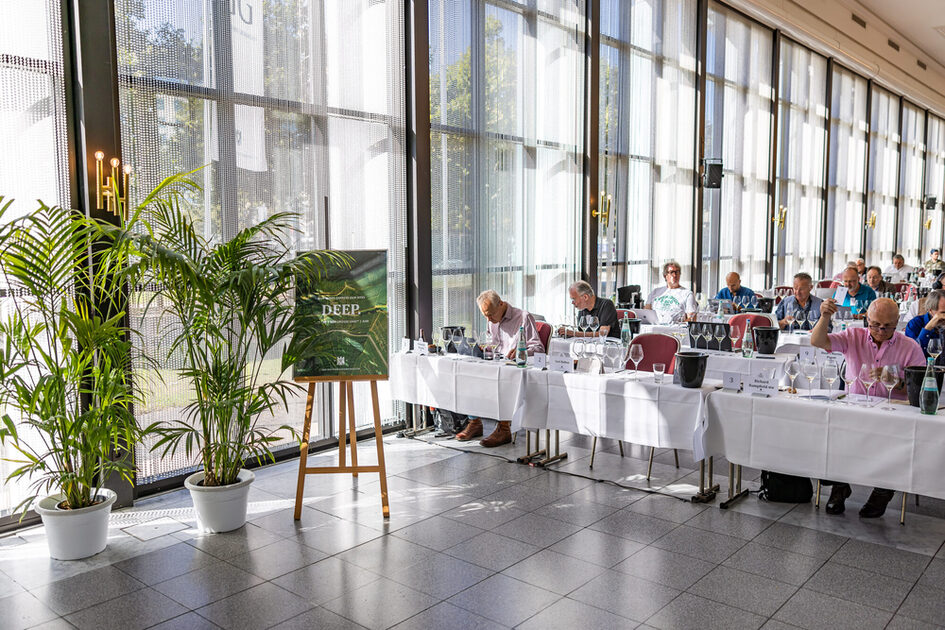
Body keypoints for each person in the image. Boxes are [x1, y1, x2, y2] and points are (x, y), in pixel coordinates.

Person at [811, 297, 925, 518]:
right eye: (875, 325)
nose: (881, 330)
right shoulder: (853, 336)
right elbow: (817, 341)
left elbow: (919, 389)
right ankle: (840, 486)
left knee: (894, 444)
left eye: (888, 326)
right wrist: (825, 316)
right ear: (867, 319)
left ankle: (883, 491)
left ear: (897, 322)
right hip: (855, 409)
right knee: (833, 432)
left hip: (893, 413)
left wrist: (895, 379)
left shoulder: (910, 347)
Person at [454, 290, 544, 447]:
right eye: (485, 316)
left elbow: (538, 348)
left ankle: (504, 429)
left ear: (501, 304)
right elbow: (493, 345)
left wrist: (522, 351)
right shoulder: (492, 320)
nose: (489, 319)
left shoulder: (523, 317)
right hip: (496, 364)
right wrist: (483, 349)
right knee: (468, 375)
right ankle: (475, 422)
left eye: (491, 314)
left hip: (515, 368)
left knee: (502, 379)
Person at [904, 289, 945, 357]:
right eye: (943, 313)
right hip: (924, 366)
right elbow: (912, 354)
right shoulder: (915, 324)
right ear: (930, 310)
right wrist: (928, 328)